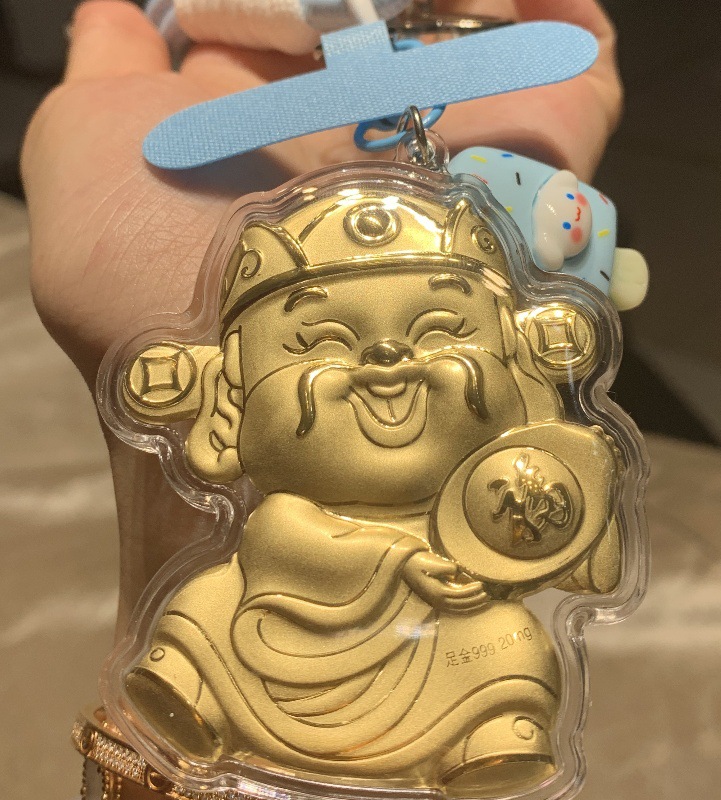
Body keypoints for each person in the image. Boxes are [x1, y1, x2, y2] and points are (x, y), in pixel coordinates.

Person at [20, 1, 623, 796]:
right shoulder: (282, 514)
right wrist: (401, 559)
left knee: (510, 637)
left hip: (444, 647)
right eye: (322, 343)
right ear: (231, 397)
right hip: (273, 630)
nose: (387, 360)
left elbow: (558, 525)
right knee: (205, 604)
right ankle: (187, 688)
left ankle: (493, 729)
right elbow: (281, 539)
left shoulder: (482, 485)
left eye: (441, 330)